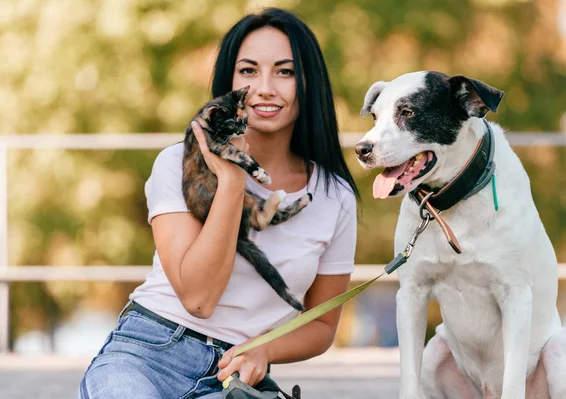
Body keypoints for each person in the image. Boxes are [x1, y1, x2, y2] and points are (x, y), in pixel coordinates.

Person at [79, 7, 360, 399]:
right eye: (248, 71)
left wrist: (264, 349)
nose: (265, 87)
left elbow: (322, 325)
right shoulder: (177, 164)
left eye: (285, 71)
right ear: (228, 82)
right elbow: (198, 298)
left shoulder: (335, 196)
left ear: (309, 83)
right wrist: (231, 181)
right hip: (148, 354)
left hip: (236, 377)